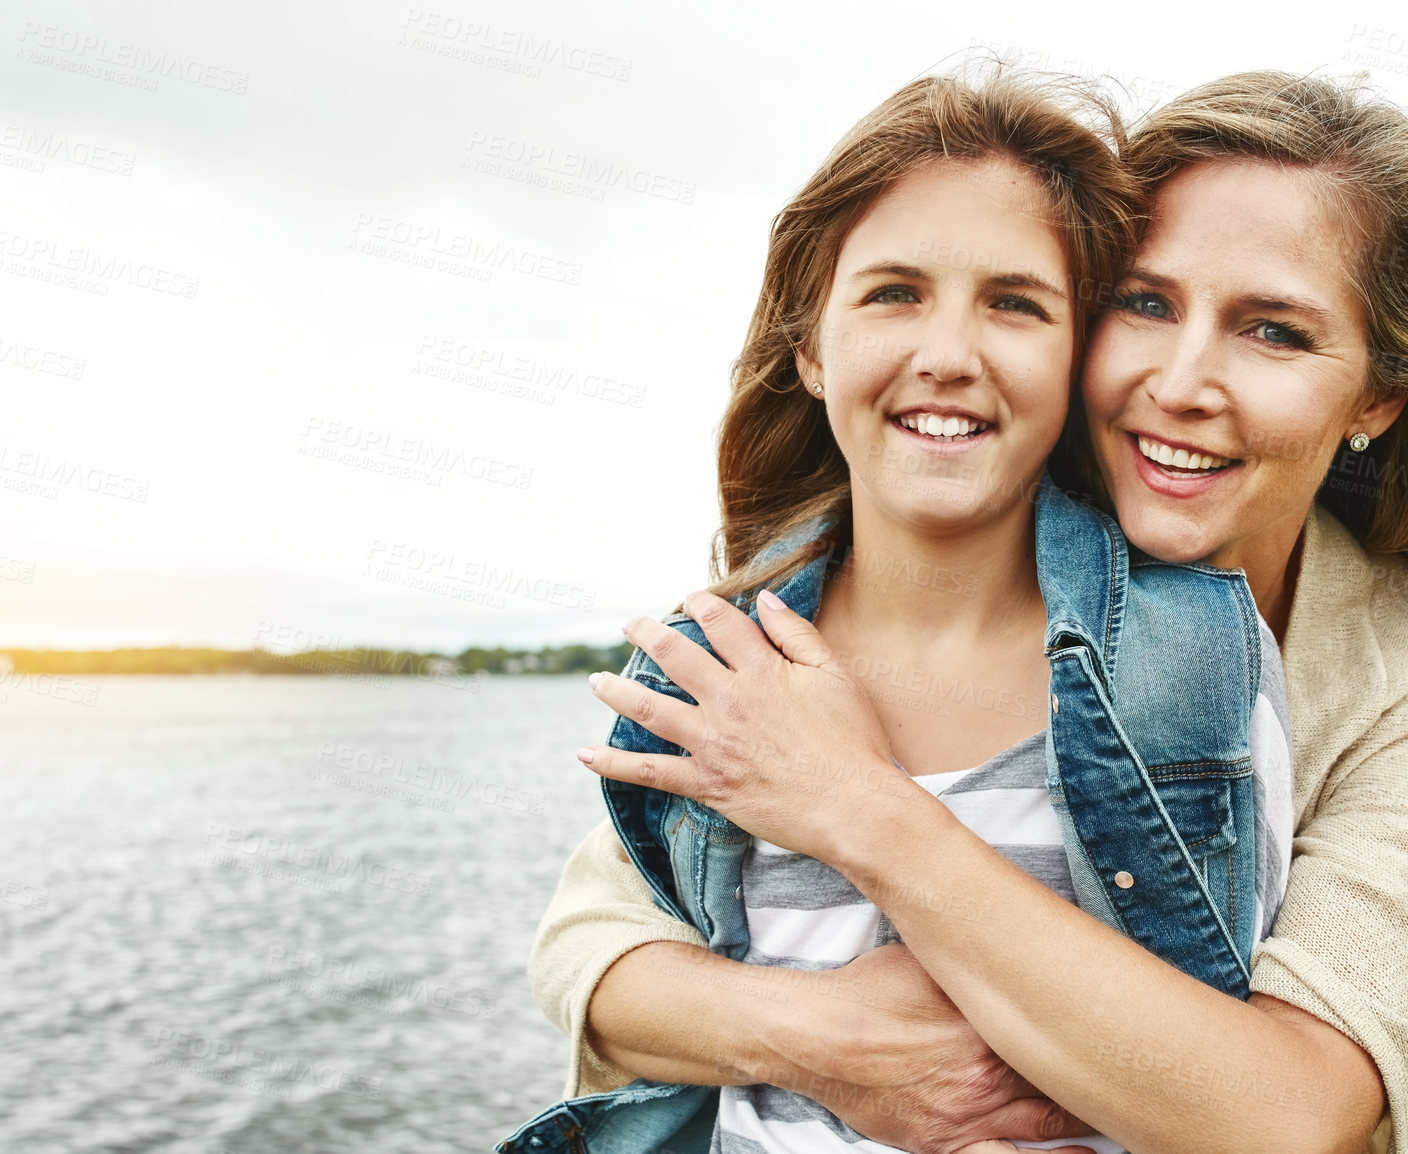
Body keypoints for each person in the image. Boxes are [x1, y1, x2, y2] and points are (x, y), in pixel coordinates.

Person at [527, 70, 1408, 1154]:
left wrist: (860, 807)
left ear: (1378, 392)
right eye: (1143, 303)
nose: (1181, 383)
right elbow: (595, 938)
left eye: (1273, 331)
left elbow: (1297, 1111)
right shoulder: (920, 551)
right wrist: (834, 1044)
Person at [497, 68, 1299, 1154]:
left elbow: (1236, 1092)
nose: (948, 356)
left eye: (1016, 304)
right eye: (892, 292)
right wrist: (817, 1037)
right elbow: (597, 949)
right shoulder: (718, 663)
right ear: (812, 348)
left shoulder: (1190, 656)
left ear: (1078, 358)